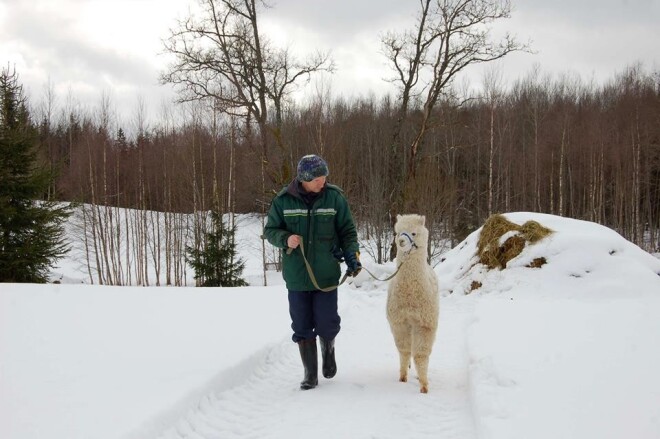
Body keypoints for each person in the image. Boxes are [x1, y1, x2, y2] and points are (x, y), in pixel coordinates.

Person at [264, 154, 361, 390]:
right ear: (304, 179)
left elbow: (348, 231)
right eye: (318, 178)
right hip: (297, 275)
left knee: (327, 322)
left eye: (325, 176)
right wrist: (285, 238)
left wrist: (352, 255)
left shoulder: (334, 197)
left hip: (326, 274)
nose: (323, 181)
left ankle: (328, 350)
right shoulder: (283, 201)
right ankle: (310, 373)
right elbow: (270, 231)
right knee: (301, 324)